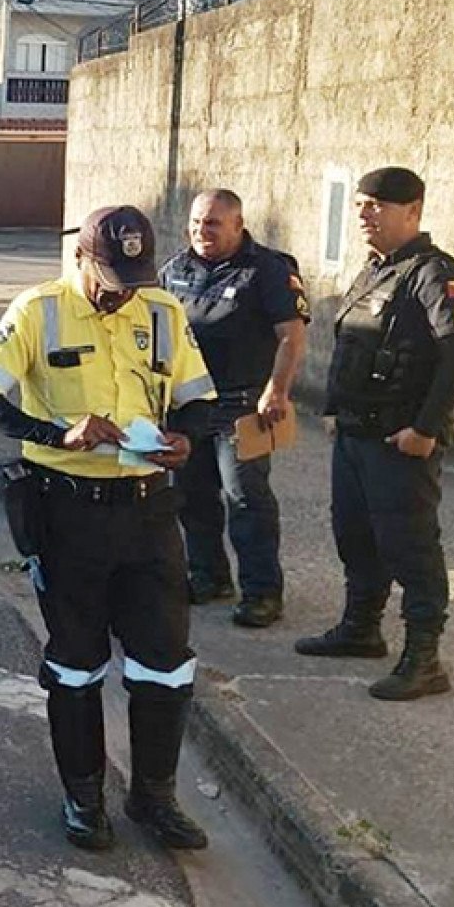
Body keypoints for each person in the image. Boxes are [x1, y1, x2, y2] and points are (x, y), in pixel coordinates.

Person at [0, 205, 217, 852]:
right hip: (68, 510)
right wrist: (56, 434)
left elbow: (197, 400)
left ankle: (153, 797)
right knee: (76, 663)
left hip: (148, 509)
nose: (120, 289)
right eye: (109, 275)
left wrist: (185, 439)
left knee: (164, 661)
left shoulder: (160, 312)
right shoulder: (37, 310)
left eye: (132, 275)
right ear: (80, 257)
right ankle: (83, 798)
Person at [297, 168, 454, 702]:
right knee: (355, 536)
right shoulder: (374, 272)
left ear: (413, 210)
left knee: (410, 545)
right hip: (355, 434)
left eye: (377, 205)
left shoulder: (437, 274)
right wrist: (331, 409)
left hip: (399, 441)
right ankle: (361, 629)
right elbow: (350, 344)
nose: (364, 214)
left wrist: (425, 429)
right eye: (360, 204)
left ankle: (424, 659)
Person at [160, 189, 310, 628]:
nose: (201, 232)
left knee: (245, 497)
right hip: (190, 404)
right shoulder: (175, 269)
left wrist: (277, 390)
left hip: (244, 405)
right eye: (195, 223)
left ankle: (262, 592)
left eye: (212, 224)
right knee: (192, 496)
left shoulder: (267, 270)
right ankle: (207, 576)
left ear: (238, 225)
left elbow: (291, 336)